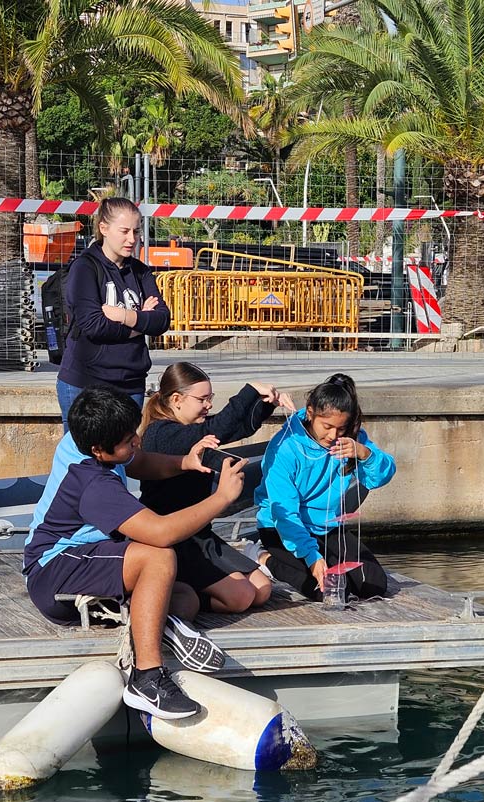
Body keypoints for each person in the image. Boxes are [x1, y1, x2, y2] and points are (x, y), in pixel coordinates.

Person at [24, 385, 246, 720]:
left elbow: (137, 460)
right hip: (53, 571)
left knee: (186, 597)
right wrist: (222, 499)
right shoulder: (93, 484)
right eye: (129, 440)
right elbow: (161, 532)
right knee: (159, 556)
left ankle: (161, 625)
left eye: (134, 434)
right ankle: (147, 678)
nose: (137, 442)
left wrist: (184, 462)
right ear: (99, 450)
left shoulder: (88, 440)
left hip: (90, 556)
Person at [140, 362, 294, 613]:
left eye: (210, 398)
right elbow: (216, 429)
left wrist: (266, 404)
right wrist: (250, 390)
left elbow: (237, 427)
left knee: (262, 589)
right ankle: (183, 590)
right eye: (202, 399)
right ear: (177, 399)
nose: (208, 404)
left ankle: (215, 583)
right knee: (241, 597)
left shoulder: (190, 431)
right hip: (176, 540)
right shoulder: (162, 433)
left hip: (201, 537)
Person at [254, 373, 396, 601]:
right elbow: (284, 512)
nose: (333, 436)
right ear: (310, 412)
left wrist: (364, 453)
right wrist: (312, 557)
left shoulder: (350, 438)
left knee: (374, 586)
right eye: (327, 426)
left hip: (326, 526)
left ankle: (316, 558)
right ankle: (262, 557)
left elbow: (378, 478)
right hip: (282, 526)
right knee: (328, 591)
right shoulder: (285, 447)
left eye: (341, 428)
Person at [56, 197, 168, 427]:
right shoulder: (85, 268)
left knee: (122, 456)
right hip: (84, 382)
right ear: (103, 228)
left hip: (130, 383)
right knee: (83, 458)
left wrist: (124, 316)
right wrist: (140, 322)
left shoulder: (140, 272)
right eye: (124, 231)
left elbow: (161, 320)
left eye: (136, 232)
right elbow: (94, 326)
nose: (132, 239)